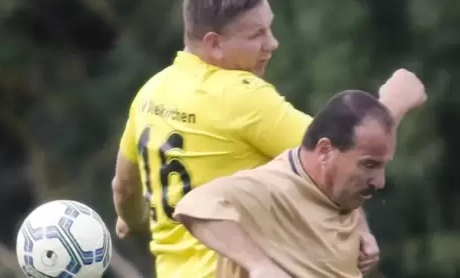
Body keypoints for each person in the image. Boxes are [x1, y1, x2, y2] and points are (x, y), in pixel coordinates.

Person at [111, 0, 426, 278]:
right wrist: (393, 104)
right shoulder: (243, 97)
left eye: (269, 29)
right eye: (256, 34)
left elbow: (124, 188)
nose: (272, 43)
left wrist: (134, 220)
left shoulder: (151, 92)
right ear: (214, 44)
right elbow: (336, 155)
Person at [174, 88, 425, 278]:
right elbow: (194, 204)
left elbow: (372, 131)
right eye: (369, 166)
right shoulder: (272, 188)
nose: (379, 182)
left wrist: (399, 97)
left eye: (382, 166)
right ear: (325, 150)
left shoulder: (334, 185)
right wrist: (260, 266)